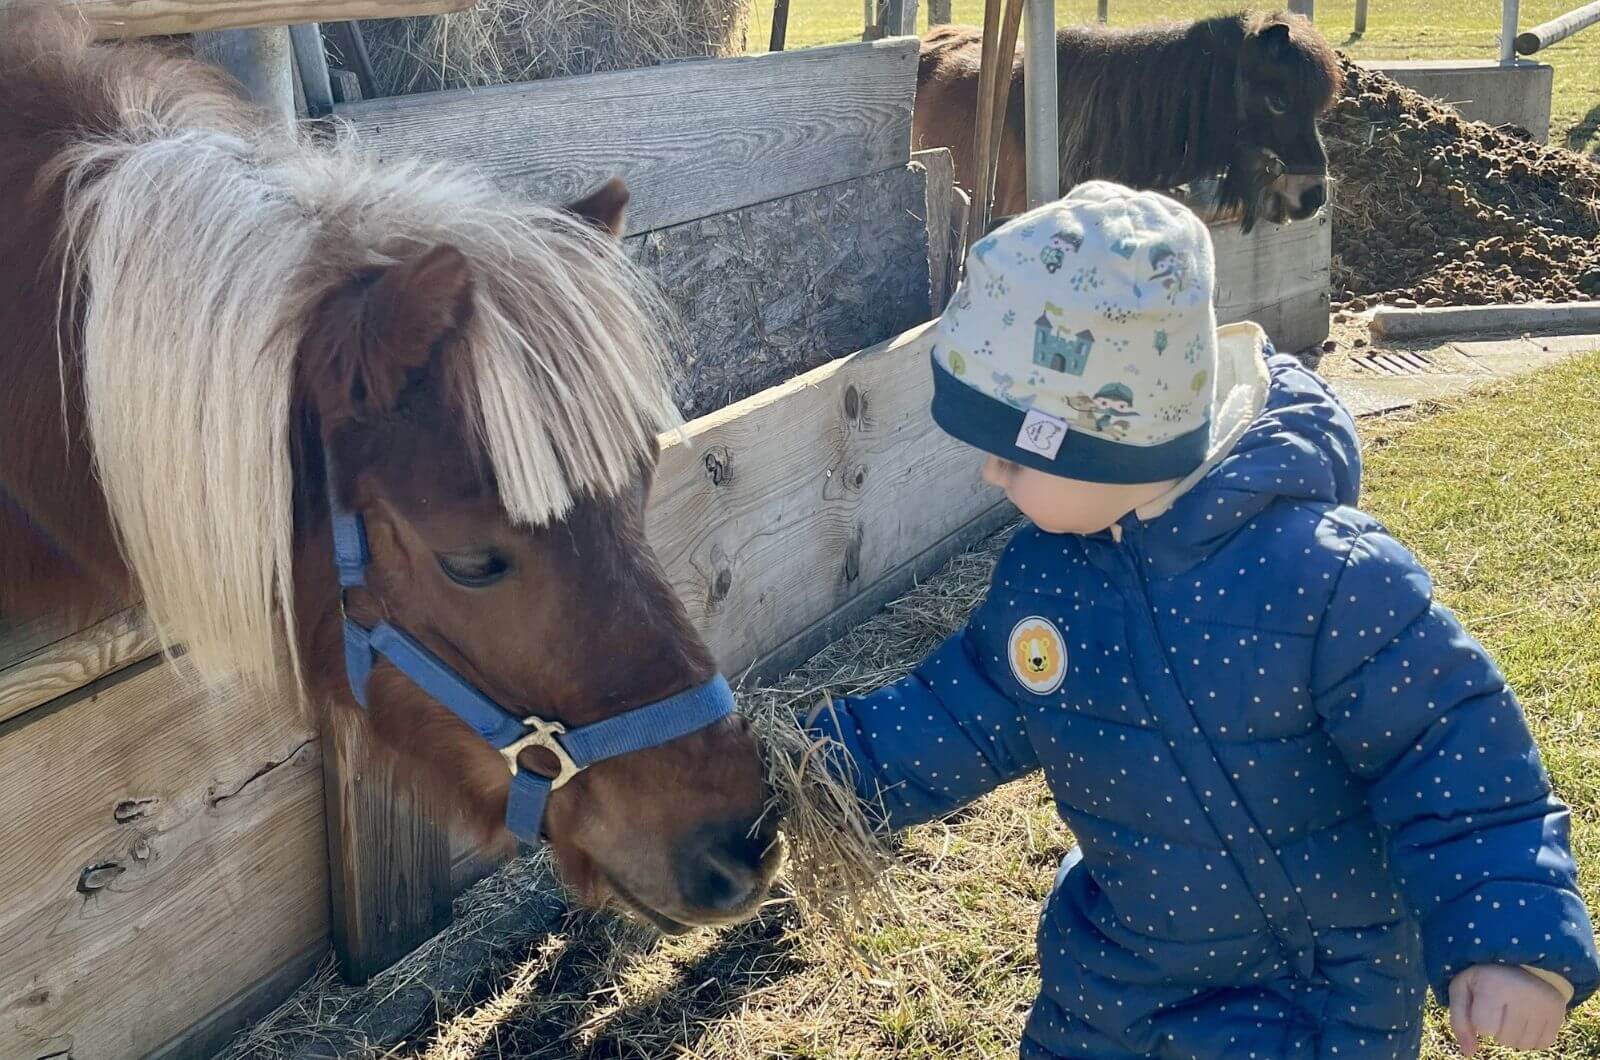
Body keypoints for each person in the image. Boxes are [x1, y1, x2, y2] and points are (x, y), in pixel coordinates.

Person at [807, 181, 1598, 1058]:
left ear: (1112, 439)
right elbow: (963, 709)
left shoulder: (1327, 577)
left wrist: (1509, 943)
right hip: (1120, 974)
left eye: (1009, 452)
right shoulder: (1045, 577)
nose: (993, 477)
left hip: (1319, 992)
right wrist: (813, 769)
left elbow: (1454, 755)